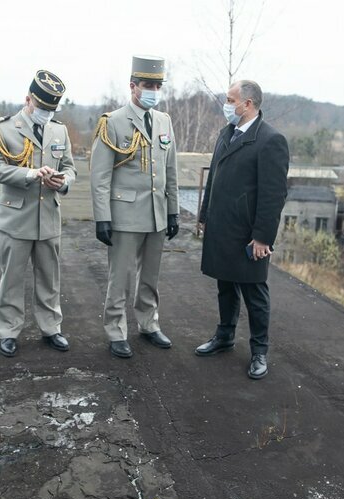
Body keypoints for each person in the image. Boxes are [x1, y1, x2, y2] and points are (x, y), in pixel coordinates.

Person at [195, 80, 289, 379]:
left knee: (254, 293)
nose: (226, 103)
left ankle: (259, 350)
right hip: (222, 226)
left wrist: (262, 237)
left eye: (230, 99)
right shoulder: (227, 133)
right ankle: (224, 336)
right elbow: (215, 177)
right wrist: (204, 213)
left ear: (247, 104)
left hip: (248, 233)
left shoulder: (270, 140)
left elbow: (274, 195)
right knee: (225, 285)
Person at [90, 55, 179, 359]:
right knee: (120, 277)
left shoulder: (164, 121)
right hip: (124, 215)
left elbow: (171, 171)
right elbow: (100, 175)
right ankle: (116, 329)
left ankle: (148, 323)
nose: (153, 89)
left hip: (156, 213)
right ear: (132, 86)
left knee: (150, 275)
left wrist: (173, 210)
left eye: (157, 85)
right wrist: (102, 217)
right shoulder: (113, 121)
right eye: (147, 84)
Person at [0, 70, 76, 357]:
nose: (47, 114)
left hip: (48, 218)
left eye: (52, 110)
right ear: (28, 99)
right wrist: (30, 173)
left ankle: (51, 328)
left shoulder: (59, 131)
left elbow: (71, 167)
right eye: (43, 108)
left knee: (50, 279)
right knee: (11, 279)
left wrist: (63, 182)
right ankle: (8, 331)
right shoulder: (3, 129)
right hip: (15, 219)